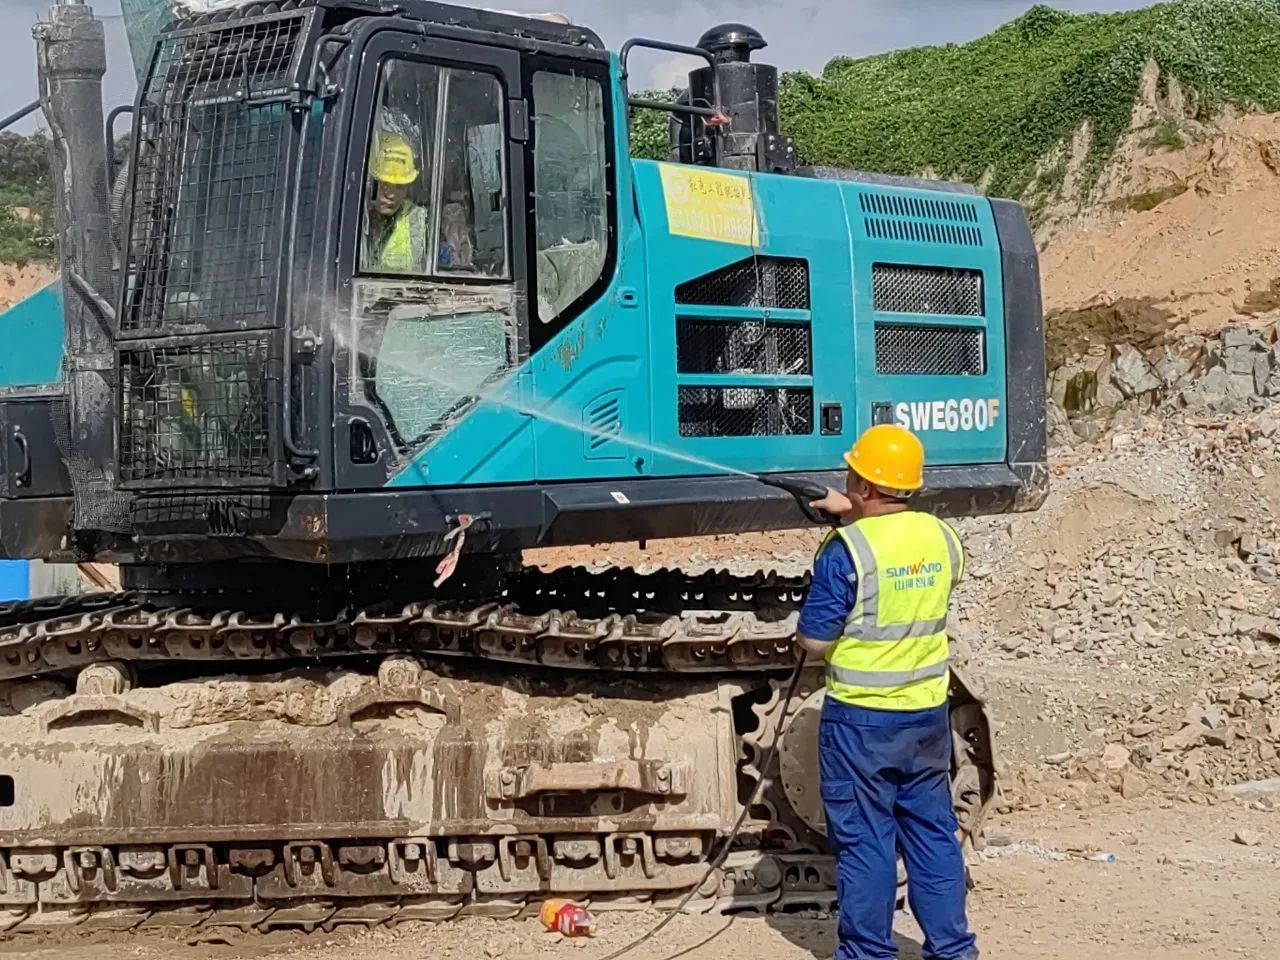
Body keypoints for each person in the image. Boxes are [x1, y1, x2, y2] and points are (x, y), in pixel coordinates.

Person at [797, 424, 978, 960]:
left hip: (862, 725)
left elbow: (814, 640)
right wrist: (853, 511)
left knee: (866, 841)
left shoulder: (845, 550)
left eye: (852, 474)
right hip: (926, 717)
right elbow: (900, 558)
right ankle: (952, 949)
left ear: (868, 484)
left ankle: (867, 954)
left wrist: (848, 523)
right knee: (932, 835)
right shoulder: (942, 538)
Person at [363, 131, 431, 274]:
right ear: (370, 182)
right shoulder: (351, 215)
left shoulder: (418, 221)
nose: (392, 194)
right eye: (385, 184)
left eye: (400, 186)